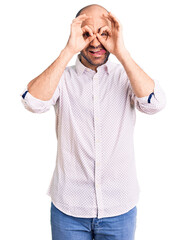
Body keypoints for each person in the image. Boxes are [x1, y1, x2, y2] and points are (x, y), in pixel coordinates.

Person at [20, 4, 166, 240]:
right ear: (76, 36)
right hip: (69, 209)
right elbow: (32, 103)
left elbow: (155, 103)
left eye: (103, 33)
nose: (96, 42)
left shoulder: (124, 77)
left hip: (119, 208)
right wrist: (68, 50)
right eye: (87, 34)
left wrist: (122, 52)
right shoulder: (62, 79)